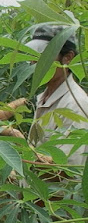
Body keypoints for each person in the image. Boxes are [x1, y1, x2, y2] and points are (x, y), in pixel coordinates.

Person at [27, 24, 88, 166]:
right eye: (32, 54)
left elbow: (65, 170)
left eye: (43, 56)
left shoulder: (75, 104)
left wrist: (14, 152)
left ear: (68, 58)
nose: (33, 62)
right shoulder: (43, 98)